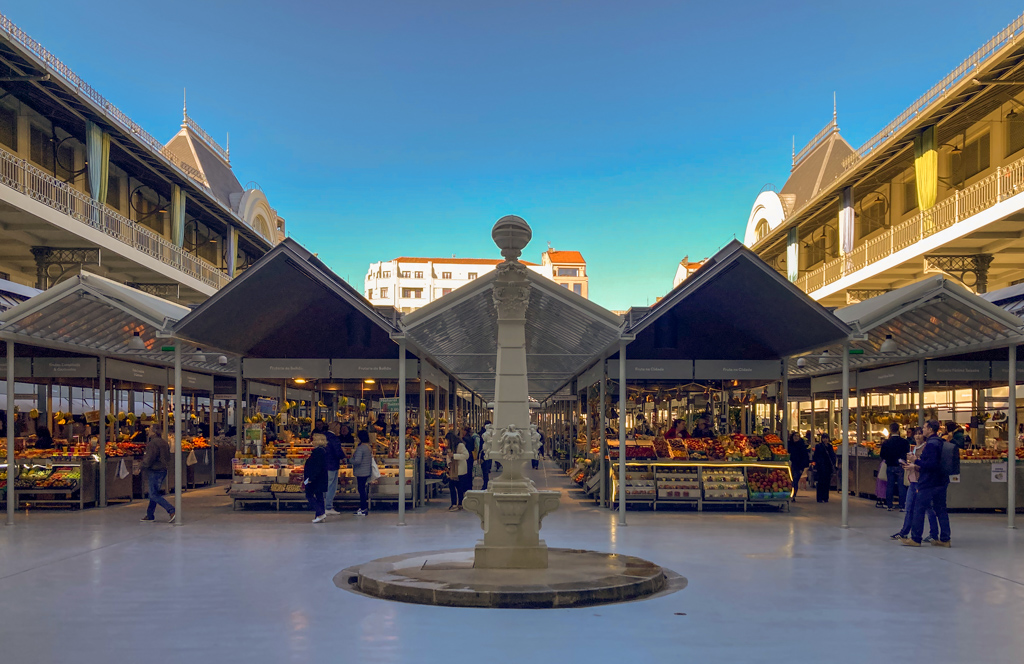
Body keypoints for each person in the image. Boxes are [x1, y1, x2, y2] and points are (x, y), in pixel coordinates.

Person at [903, 420, 952, 547]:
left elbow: (931, 464)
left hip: (929, 482)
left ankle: (915, 538)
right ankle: (945, 538)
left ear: (930, 429)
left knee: (919, 509)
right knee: (941, 509)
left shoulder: (930, 445)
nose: (923, 430)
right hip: (942, 481)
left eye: (924, 427)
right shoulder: (940, 442)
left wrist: (916, 461)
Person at [892, 427, 939, 542]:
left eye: (920, 434)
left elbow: (926, 464)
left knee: (927, 508)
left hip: (921, 482)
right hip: (913, 480)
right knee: (910, 507)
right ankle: (905, 532)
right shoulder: (912, 448)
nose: (917, 436)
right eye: (916, 434)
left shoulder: (926, 448)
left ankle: (933, 533)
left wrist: (915, 466)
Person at [140, 426, 174, 522]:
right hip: (163, 469)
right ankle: (150, 514)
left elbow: (150, 458)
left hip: (155, 470)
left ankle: (171, 510)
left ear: (154, 432)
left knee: (153, 494)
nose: (148, 432)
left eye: (149, 430)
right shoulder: (164, 442)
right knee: (154, 492)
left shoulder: (153, 443)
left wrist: (141, 466)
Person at [879, 423, 910, 511]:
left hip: (890, 466)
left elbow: (882, 455)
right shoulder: (904, 442)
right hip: (901, 466)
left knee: (890, 485)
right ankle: (902, 506)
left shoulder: (886, 442)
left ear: (890, 430)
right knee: (901, 486)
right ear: (898, 430)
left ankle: (889, 505)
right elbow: (907, 453)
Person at [303, 433, 328, 523]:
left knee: (309, 495)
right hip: (320, 478)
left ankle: (320, 513)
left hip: (315, 478)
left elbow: (316, 467)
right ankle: (320, 515)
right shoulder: (323, 451)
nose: (312, 441)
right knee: (319, 496)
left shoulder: (318, 452)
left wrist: (310, 478)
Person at [322, 422, 346, 516]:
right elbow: (337, 451)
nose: (339, 430)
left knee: (325, 485)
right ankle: (328, 507)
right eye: (339, 428)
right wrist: (344, 457)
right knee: (331, 486)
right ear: (336, 428)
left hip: (323, 465)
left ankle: (323, 505)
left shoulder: (323, 436)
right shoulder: (334, 438)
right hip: (332, 465)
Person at [351, 429, 373, 516]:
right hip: (366, 470)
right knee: (363, 489)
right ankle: (364, 507)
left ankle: (363, 508)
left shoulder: (360, 448)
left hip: (361, 471)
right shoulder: (368, 447)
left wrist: (350, 459)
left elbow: (357, 461)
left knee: (361, 490)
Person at [447, 433, 470, 511]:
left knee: (457, 487)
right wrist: (449, 463)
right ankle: (458, 504)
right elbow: (448, 456)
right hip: (453, 470)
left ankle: (456, 504)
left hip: (460, 470)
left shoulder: (460, 445)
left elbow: (466, 455)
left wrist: (454, 456)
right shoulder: (450, 447)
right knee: (456, 486)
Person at [812, 433, 837, 503]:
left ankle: (825, 497)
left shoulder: (830, 447)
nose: (825, 440)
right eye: (824, 438)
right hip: (821, 467)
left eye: (826, 438)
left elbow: (832, 456)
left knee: (827, 482)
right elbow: (816, 456)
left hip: (828, 467)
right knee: (820, 482)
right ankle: (819, 497)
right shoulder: (819, 446)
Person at [787, 431, 810, 500]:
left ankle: (793, 494)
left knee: (795, 480)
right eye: (795, 436)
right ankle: (791, 493)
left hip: (798, 466)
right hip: (790, 465)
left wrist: (803, 466)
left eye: (797, 436)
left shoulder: (802, 446)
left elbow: (805, 457)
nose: (796, 437)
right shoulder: (789, 445)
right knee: (790, 480)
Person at [478, 421, 493, 490]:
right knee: (485, 469)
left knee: (484, 470)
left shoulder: (483, 434)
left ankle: (485, 484)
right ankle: (486, 483)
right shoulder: (489, 434)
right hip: (487, 453)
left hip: (484, 453)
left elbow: (480, 446)